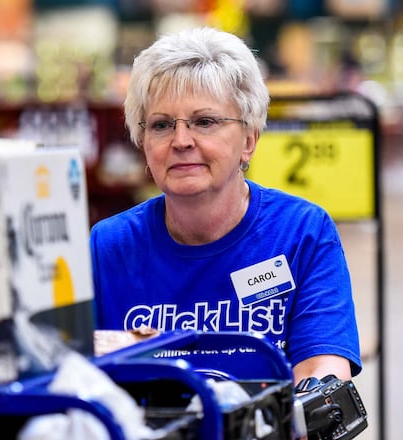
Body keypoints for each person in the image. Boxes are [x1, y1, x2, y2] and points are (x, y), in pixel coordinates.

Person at [89, 27, 361, 384]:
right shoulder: (109, 245)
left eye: (205, 122)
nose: (181, 140)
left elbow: (321, 379)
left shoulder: (301, 233)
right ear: (142, 142)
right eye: (161, 125)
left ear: (249, 140)